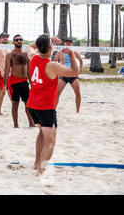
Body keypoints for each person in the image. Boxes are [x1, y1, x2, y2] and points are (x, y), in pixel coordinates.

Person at [26, 34, 80, 176]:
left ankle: (37, 163)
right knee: (50, 142)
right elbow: (75, 72)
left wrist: (48, 39)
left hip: (32, 106)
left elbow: (30, 47)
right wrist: (72, 54)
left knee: (41, 134)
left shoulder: (33, 58)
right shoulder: (52, 66)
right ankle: (41, 169)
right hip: (45, 107)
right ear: (51, 48)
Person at [4, 34, 35, 128]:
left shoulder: (26, 54)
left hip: (24, 82)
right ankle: (16, 125)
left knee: (28, 103)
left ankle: (31, 123)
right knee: (15, 103)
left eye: (20, 39)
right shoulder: (10, 54)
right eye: (17, 40)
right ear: (13, 42)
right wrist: (5, 85)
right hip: (14, 82)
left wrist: (32, 83)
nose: (19, 41)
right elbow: (6, 70)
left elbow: (29, 70)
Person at [54, 38, 83, 113]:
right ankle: (53, 110)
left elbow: (81, 60)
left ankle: (77, 111)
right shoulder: (60, 52)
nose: (68, 44)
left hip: (73, 75)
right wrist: (56, 70)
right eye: (66, 42)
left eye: (69, 42)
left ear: (72, 44)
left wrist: (81, 68)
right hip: (63, 74)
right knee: (57, 93)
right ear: (64, 44)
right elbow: (55, 60)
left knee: (78, 93)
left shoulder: (74, 52)